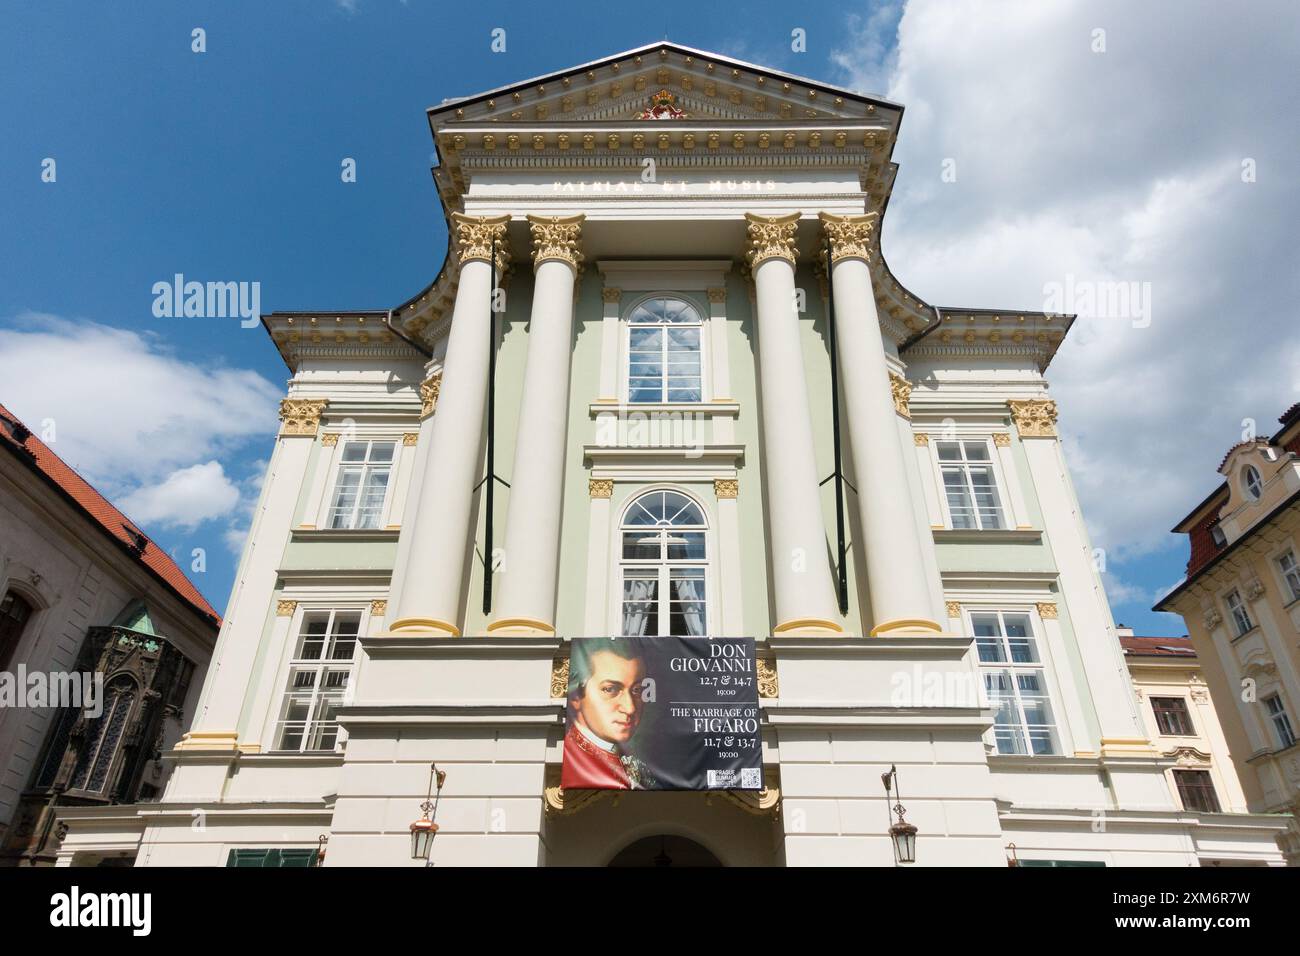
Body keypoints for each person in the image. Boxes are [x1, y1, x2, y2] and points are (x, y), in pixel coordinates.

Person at [562, 638, 659, 790]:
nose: (630, 708)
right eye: (610, 689)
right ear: (575, 697)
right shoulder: (574, 759)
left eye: (637, 690)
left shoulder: (634, 762)